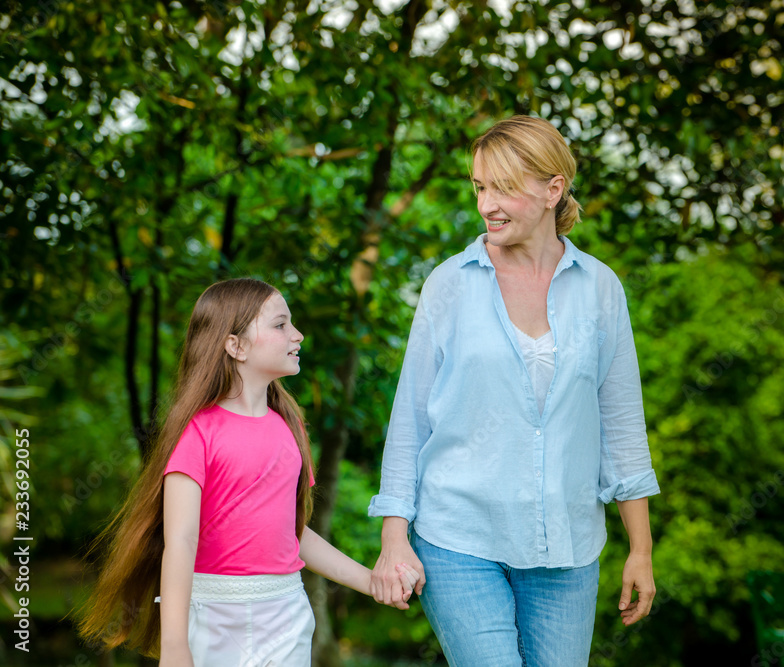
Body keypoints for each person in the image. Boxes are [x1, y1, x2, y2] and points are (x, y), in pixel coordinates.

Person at [368, 115, 660, 665]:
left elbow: (621, 423)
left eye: (503, 187)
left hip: (567, 550)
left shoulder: (600, 287)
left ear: (554, 190)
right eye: (480, 187)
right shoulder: (449, 284)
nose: (486, 204)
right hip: (457, 537)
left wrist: (640, 549)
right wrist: (393, 536)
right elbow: (410, 420)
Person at [78, 278, 418, 666]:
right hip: (212, 617)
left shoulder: (289, 429)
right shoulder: (197, 434)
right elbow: (181, 542)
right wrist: (174, 646)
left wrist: (370, 581)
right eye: (280, 325)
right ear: (235, 346)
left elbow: (292, 532)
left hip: (286, 613)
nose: (298, 335)